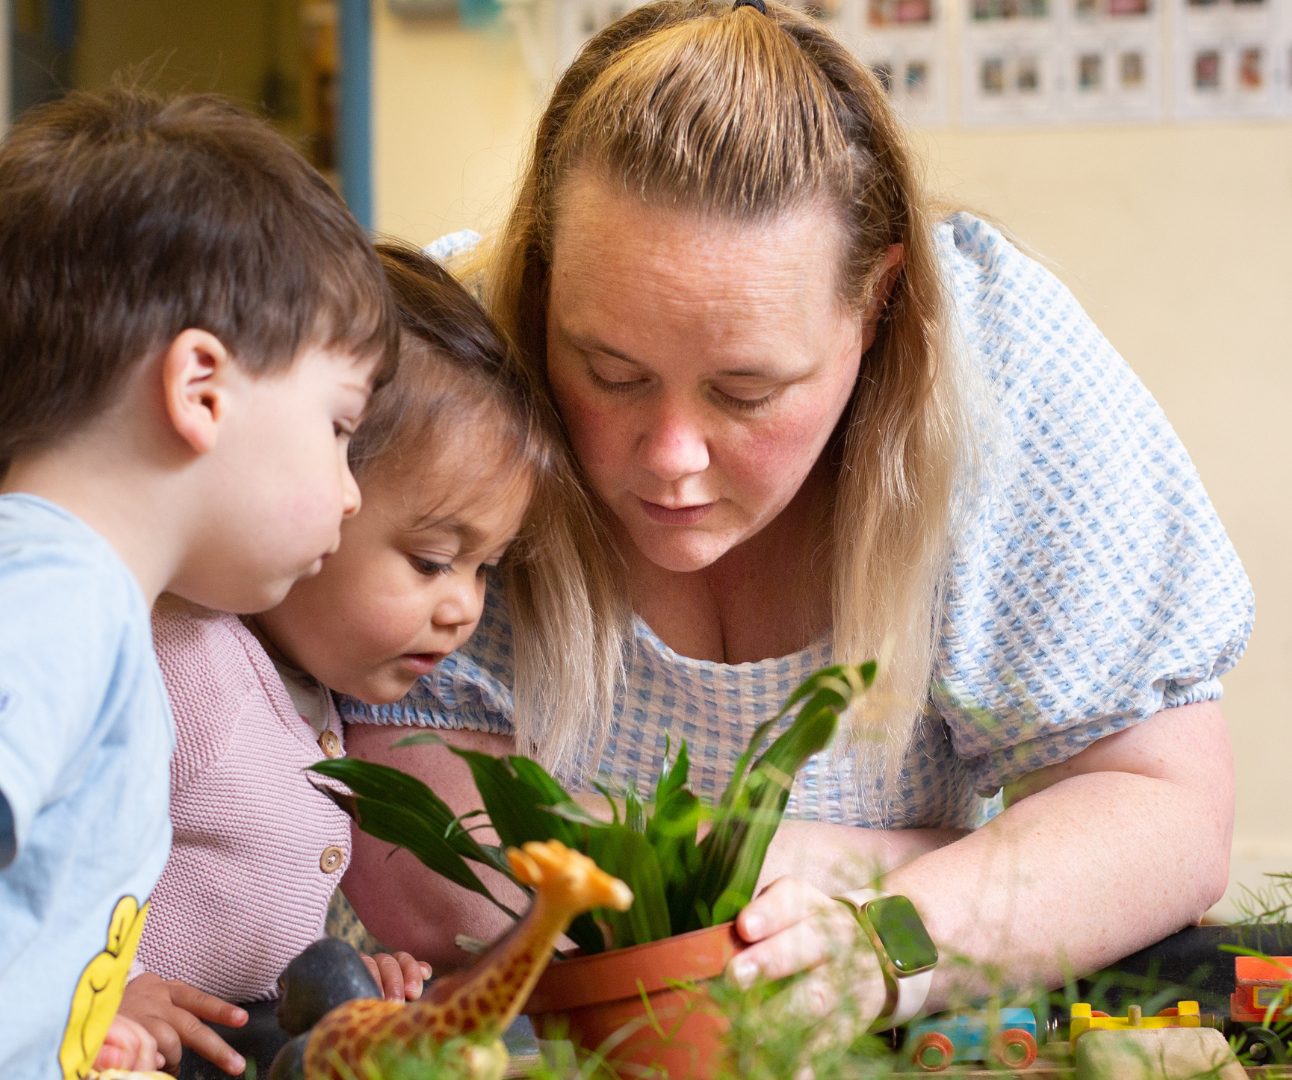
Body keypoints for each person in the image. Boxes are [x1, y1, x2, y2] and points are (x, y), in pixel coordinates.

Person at [341, 0, 1252, 1030]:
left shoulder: (995, 366)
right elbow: (433, 879)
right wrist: (894, 859)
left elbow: (1163, 815)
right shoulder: (447, 371)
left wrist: (885, 940)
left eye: (746, 391)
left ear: (875, 307)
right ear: (543, 283)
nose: (671, 460)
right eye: (610, 372)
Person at [0, 88, 396, 1078]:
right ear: (201, 391)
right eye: (340, 428)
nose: (349, 495)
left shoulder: (86, 602)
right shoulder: (58, 595)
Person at [119, 243, 576, 1076]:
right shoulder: (184, 666)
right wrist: (114, 986)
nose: (465, 606)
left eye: (486, 570)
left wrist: (351, 969)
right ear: (316, 490)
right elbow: (41, 859)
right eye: (434, 560)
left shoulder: (311, 695)